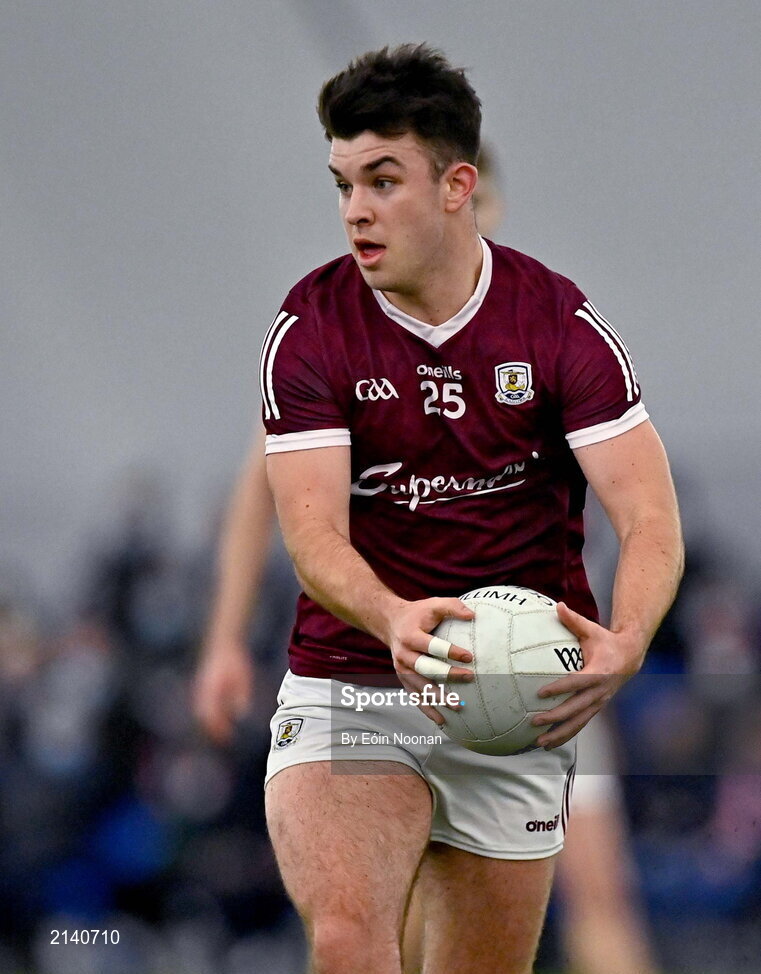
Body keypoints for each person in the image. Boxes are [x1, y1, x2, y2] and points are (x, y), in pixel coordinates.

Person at [199, 44, 683, 974]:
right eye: (342, 184)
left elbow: (649, 518)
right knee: (349, 941)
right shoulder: (311, 330)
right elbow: (309, 533)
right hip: (355, 684)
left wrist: (625, 637)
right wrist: (389, 617)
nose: (355, 211)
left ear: (458, 185)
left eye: (382, 181)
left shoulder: (557, 323)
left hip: (517, 705)